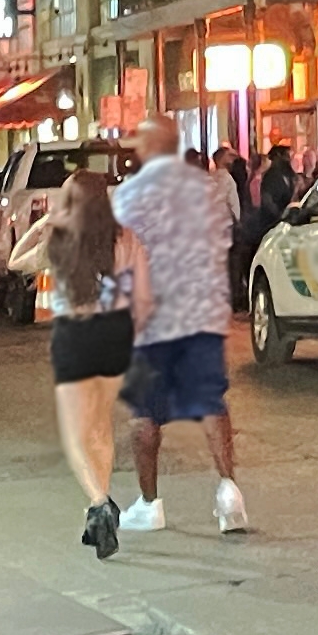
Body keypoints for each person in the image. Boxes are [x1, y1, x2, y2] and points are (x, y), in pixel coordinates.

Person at [111, 114, 244, 537]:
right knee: (211, 402)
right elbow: (222, 243)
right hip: (201, 313)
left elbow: (121, 258)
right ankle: (229, 493)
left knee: (144, 414)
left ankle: (150, 505)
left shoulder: (129, 197)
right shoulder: (206, 191)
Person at [19, 169, 148, 558]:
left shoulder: (62, 239)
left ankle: (99, 504)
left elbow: (14, 262)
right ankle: (101, 502)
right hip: (115, 335)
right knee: (100, 426)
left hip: (75, 337)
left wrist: (41, 223)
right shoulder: (126, 237)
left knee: (76, 436)